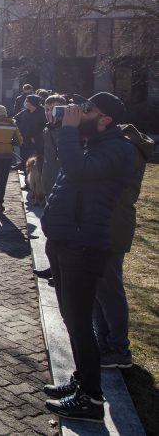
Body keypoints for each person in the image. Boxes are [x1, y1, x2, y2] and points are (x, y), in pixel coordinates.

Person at [41, 93, 135, 423]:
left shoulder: (118, 149)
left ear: (105, 118)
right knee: (72, 318)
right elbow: (66, 170)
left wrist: (68, 128)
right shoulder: (94, 142)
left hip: (84, 245)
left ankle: (92, 400)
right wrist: (61, 127)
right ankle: (83, 381)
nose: (81, 113)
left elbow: (78, 171)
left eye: (88, 110)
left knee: (81, 323)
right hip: (68, 240)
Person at [93, 122, 152, 370]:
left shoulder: (125, 149)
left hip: (112, 224)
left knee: (110, 289)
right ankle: (105, 342)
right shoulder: (120, 146)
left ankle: (119, 349)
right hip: (103, 223)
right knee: (98, 287)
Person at [41, 95, 67, 199]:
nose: (50, 112)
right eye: (47, 109)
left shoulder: (70, 129)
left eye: (54, 109)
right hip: (49, 178)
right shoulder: (47, 129)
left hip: (63, 181)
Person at [15, 94, 46, 168]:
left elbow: (45, 127)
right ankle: (23, 165)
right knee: (24, 155)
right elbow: (15, 119)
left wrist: (36, 137)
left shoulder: (42, 113)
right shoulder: (25, 112)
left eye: (27, 101)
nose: (25, 103)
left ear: (32, 102)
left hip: (35, 142)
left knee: (34, 160)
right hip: (24, 138)